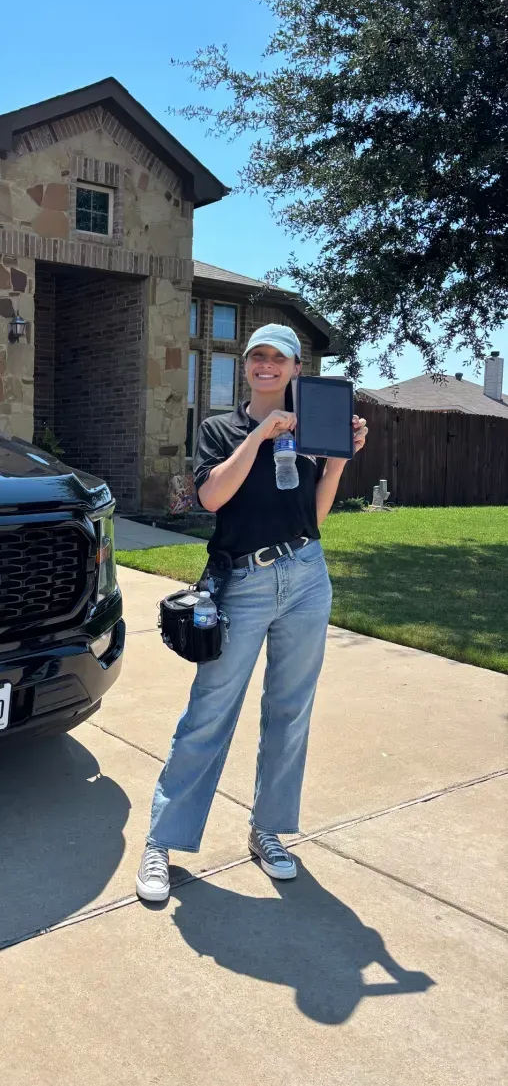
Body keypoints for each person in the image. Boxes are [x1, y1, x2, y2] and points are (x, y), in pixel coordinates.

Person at [137, 323, 368, 903]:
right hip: (242, 581)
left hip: (307, 576)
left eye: (278, 358)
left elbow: (314, 516)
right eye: (256, 356)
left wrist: (339, 459)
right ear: (245, 366)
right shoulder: (220, 429)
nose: (267, 365)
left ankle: (267, 830)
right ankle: (162, 840)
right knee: (210, 711)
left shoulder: (312, 428)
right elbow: (212, 497)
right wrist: (262, 434)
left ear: (295, 368)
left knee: (290, 710)